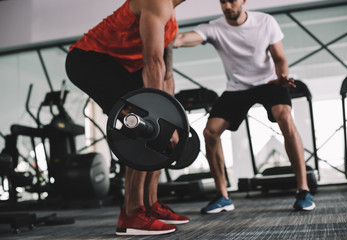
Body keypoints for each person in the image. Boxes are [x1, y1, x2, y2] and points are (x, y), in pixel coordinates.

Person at [174, 0, 316, 213]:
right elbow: (183, 38)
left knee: (285, 118)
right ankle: (222, 196)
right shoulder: (214, 27)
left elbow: (279, 57)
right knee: (210, 132)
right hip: (237, 88)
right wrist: (167, 38)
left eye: (232, 0)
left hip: (270, 82)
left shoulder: (265, 22)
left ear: (243, 1)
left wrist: (282, 76)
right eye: (223, 2)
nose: (227, 6)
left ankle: (303, 190)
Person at [65, 0, 190, 236]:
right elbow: (151, 61)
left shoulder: (171, 21)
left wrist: (171, 120)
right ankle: (132, 214)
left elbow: (166, 72)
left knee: (158, 132)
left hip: (120, 68)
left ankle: (150, 205)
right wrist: (158, 119)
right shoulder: (156, 2)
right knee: (147, 127)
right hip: (89, 60)